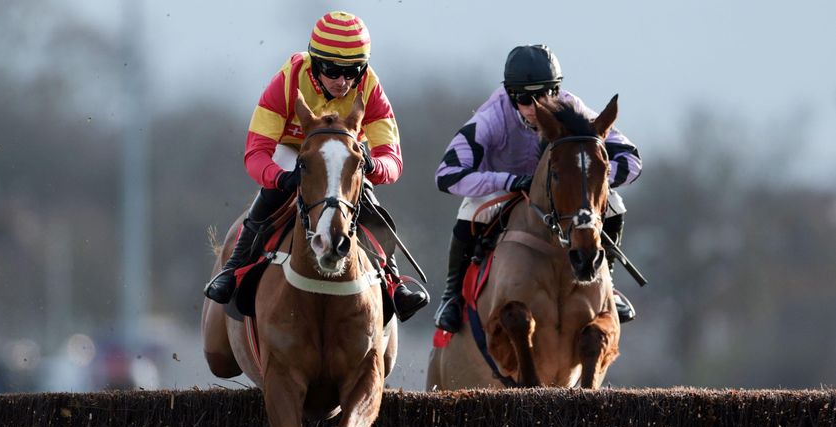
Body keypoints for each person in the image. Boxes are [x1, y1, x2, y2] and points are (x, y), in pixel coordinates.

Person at [205, 11, 428, 321]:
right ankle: (233, 270)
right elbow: (256, 153)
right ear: (314, 63)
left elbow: (393, 158)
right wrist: (280, 178)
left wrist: (372, 166)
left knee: (369, 201)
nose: (343, 82)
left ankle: (393, 282)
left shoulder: (370, 87)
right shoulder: (288, 79)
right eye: (333, 71)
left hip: (343, 155)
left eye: (352, 72)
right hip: (293, 150)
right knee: (269, 196)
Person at [433, 44, 642, 332]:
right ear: (510, 95)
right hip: (508, 189)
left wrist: (590, 181)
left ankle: (608, 285)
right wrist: (507, 181)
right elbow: (447, 174)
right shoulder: (490, 118)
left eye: (546, 94)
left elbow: (631, 158)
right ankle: (452, 295)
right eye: (525, 99)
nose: (537, 108)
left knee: (614, 203)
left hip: (561, 193)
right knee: (471, 209)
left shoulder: (573, 107)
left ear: (557, 90)